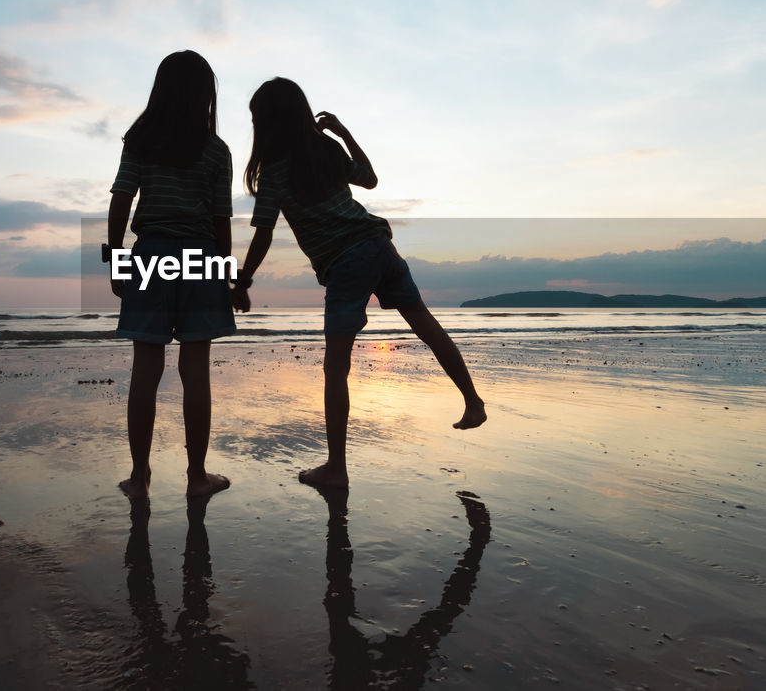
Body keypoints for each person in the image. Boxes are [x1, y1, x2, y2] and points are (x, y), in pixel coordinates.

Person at [230, 77, 486, 488]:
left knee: (336, 366)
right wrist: (343, 133)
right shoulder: (326, 150)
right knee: (426, 325)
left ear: (266, 124)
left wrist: (242, 280)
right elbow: (369, 179)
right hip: (380, 246)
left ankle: (336, 468)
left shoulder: (275, 173)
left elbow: (263, 232)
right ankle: (473, 403)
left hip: (346, 263)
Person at [107, 50, 235, 498]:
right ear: (206, 94)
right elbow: (222, 221)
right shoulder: (217, 149)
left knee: (146, 369)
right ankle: (197, 476)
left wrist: (115, 256)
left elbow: (122, 199)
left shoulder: (140, 139)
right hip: (201, 256)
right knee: (195, 370)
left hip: (151, 254)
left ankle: (140, 477)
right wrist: (226, 274)